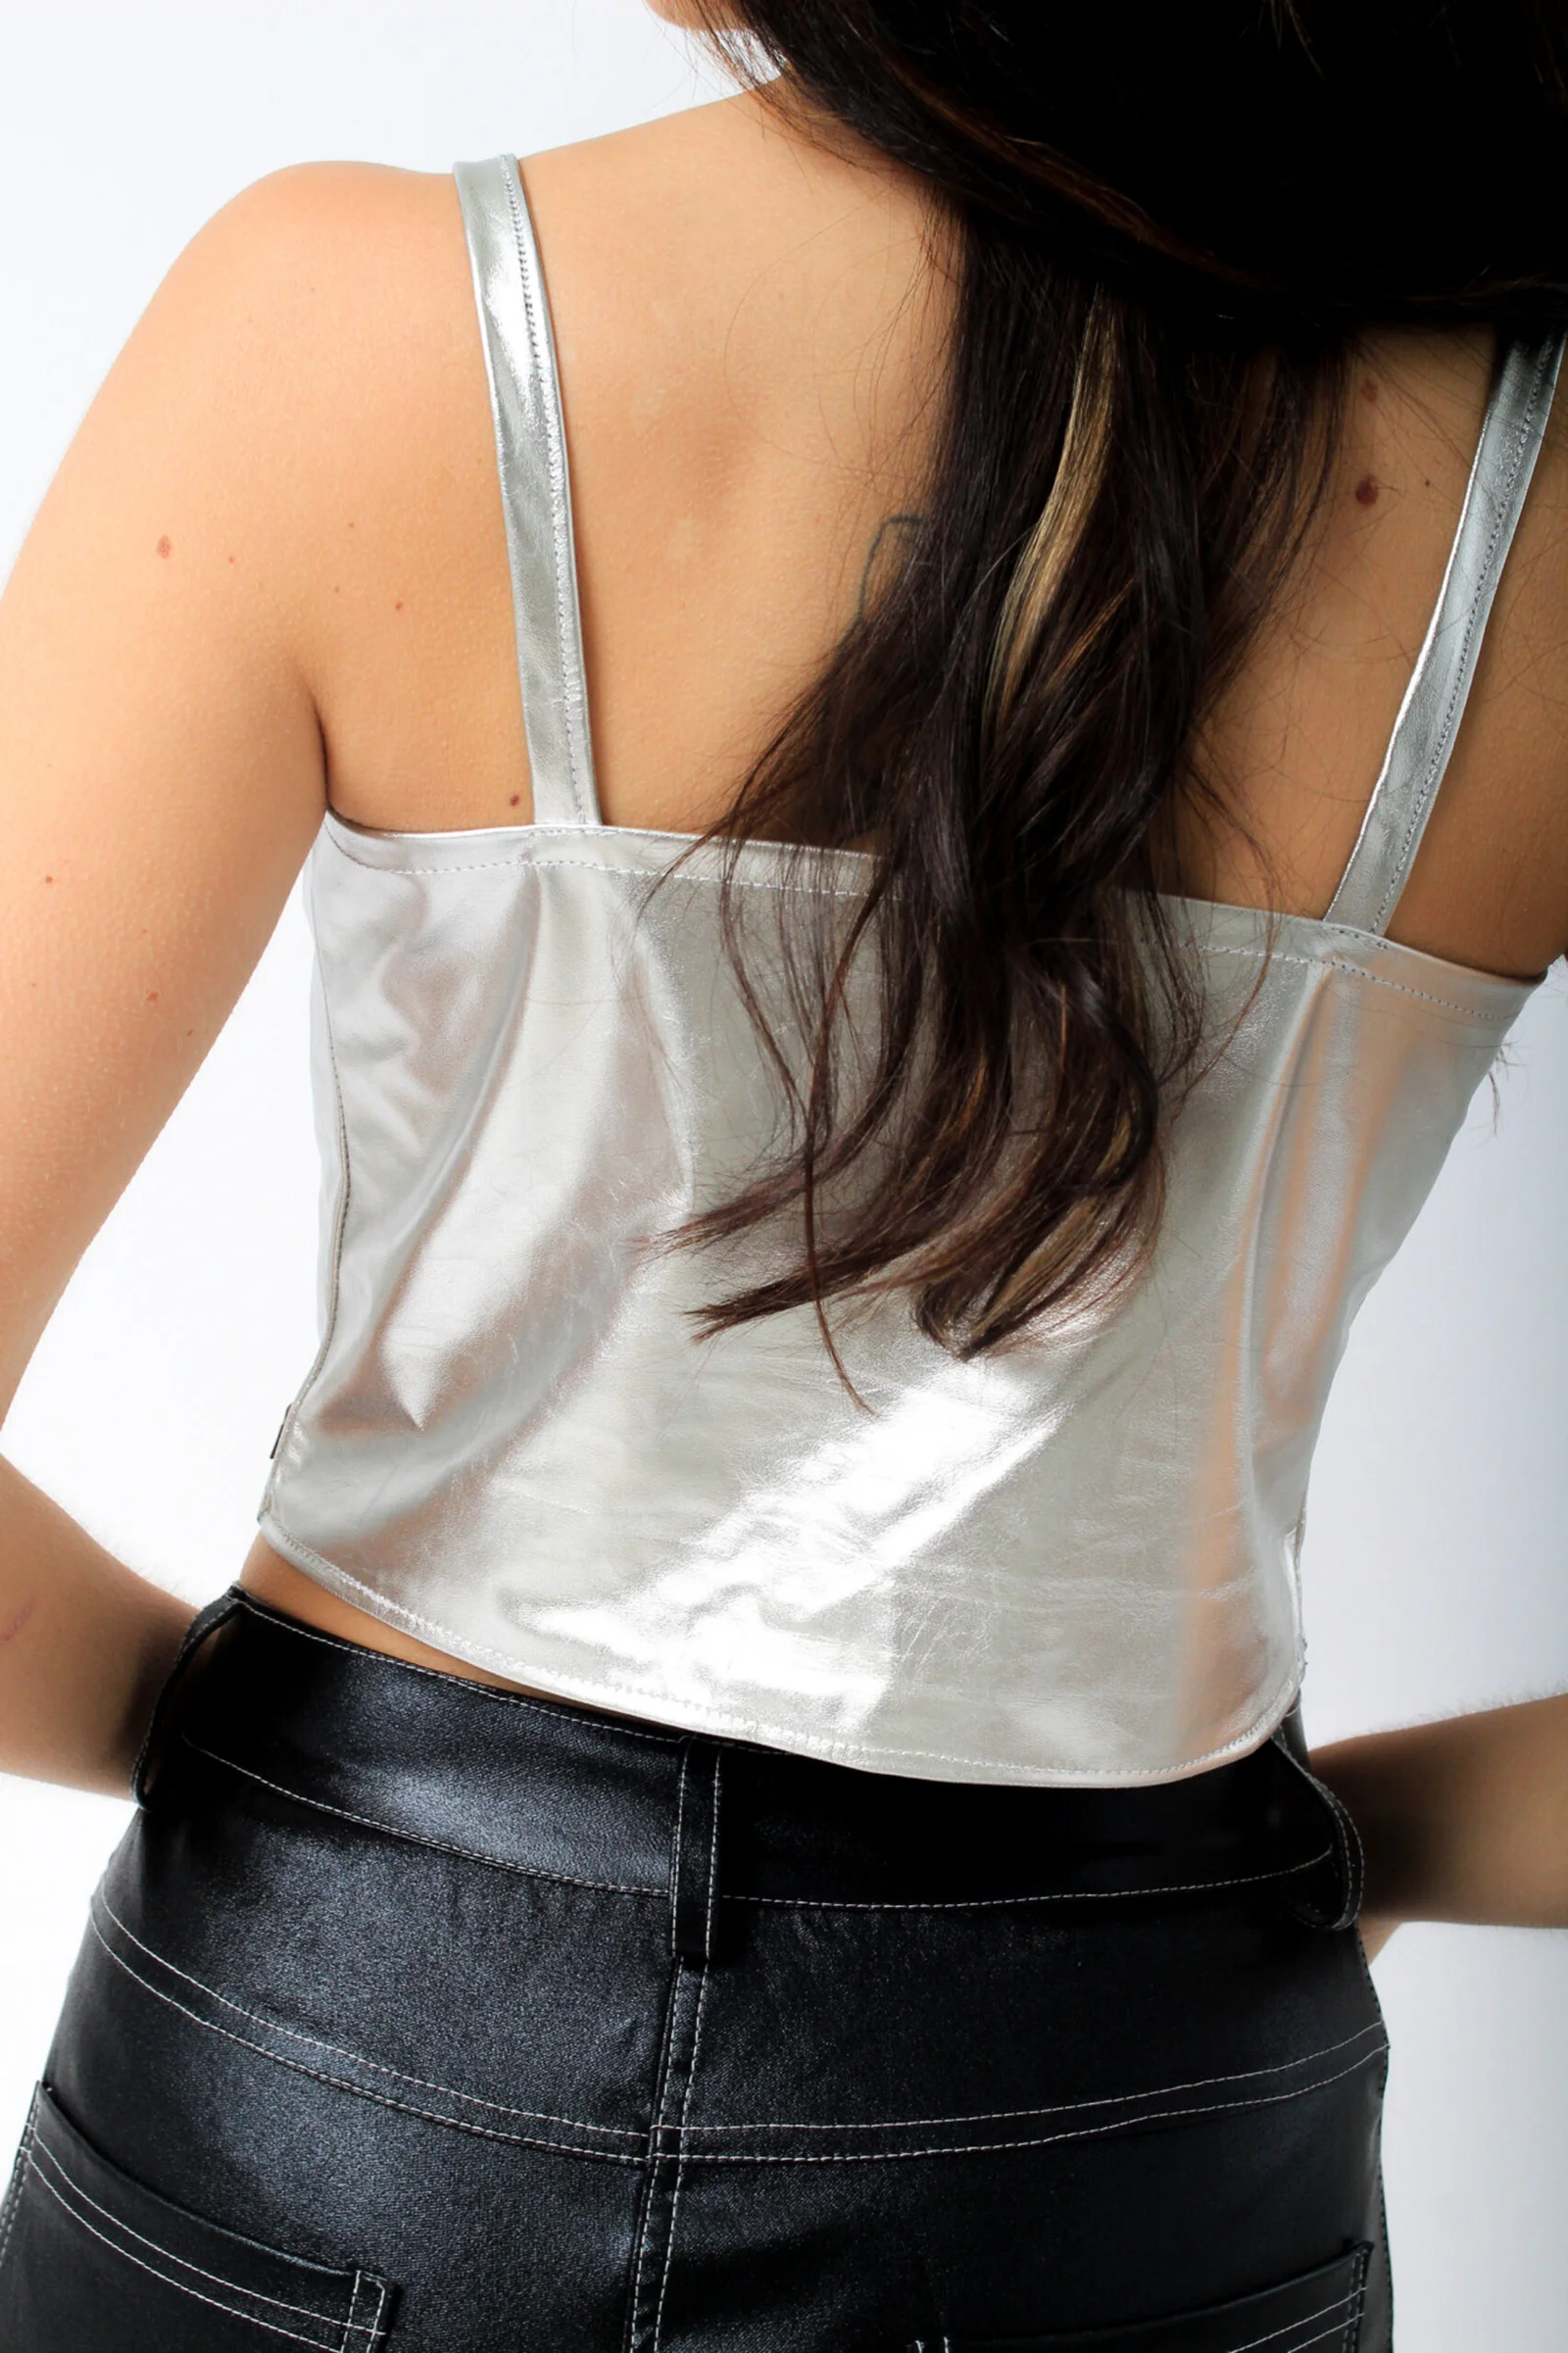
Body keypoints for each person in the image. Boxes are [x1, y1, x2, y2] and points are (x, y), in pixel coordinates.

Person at [2, 1, 1567, 2343]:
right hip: (1128, 2107)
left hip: (341, 2056)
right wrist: (1349, 1849)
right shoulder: (1533, 503)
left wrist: (271, 1765)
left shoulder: (361, 331)